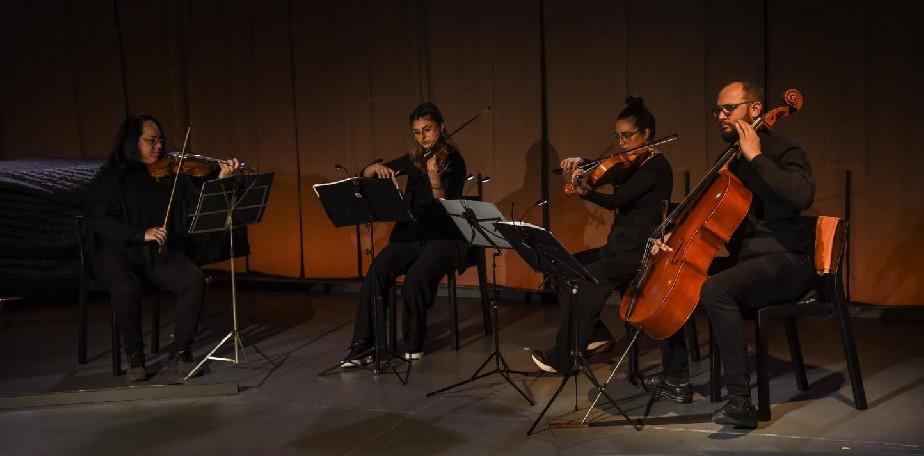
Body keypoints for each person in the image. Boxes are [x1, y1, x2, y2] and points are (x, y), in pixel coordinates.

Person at [650, 81, 816, 428]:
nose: (721, 116)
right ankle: (677, 377)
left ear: (755, 109)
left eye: (730, 109)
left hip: (787, 259)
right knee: (676, 274)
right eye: (718, 110)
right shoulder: (728, 159)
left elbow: (802, 196)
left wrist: (756, 156)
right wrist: (671, 232)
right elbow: (701, 213)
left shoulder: (784, 148)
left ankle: (740, 402)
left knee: (715, 289)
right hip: (748, 261)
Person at [83, 113, 240, 382]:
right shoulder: (112, 175)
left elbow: (196, 206)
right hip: (117, 251)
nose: (158, 146)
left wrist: (220, 181)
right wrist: (138, 233)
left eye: (160, 140)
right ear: (132, 142)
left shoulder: (171, 174)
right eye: (150, 141)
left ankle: (180, 353)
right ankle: (135, 357)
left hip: (156, 252)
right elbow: (99, 221)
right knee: (125, 286)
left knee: (192, 279)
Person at [530, 96, 675, 375]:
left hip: (639, 251)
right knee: (562, 268)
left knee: (586, 281)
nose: (621, 144)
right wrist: (584, 163)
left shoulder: (656, 168)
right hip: (618, 246)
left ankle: (565, 356)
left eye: (627, 136)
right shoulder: (632, 163)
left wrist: (588, 193)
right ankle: (596, 336)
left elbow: (617, 200)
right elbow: (611, 168)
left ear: (646, 134)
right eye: (618, 137)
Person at [342, 102, 468, 367]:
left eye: (428, 130)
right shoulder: (414, 159)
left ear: (441, 128)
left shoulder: (454, 161)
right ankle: (363, 346)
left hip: (444, 235)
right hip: (411, 234)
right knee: (377, 271)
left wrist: (434, 178)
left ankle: (414, 340)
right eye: (417, 132)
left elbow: (447, 204)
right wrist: (374, 170)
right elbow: (367, 173)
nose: (423, 137)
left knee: (416, 278)